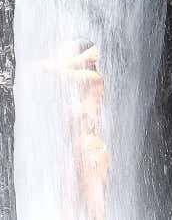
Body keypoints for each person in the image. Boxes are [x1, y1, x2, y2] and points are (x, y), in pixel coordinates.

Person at [60, 39, 109, 220]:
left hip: (92, 155)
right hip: (75, 157)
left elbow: (60, 72)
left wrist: (83, 57)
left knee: (95, 214)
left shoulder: (95, 80)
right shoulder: (80, 93)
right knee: (68, 212)